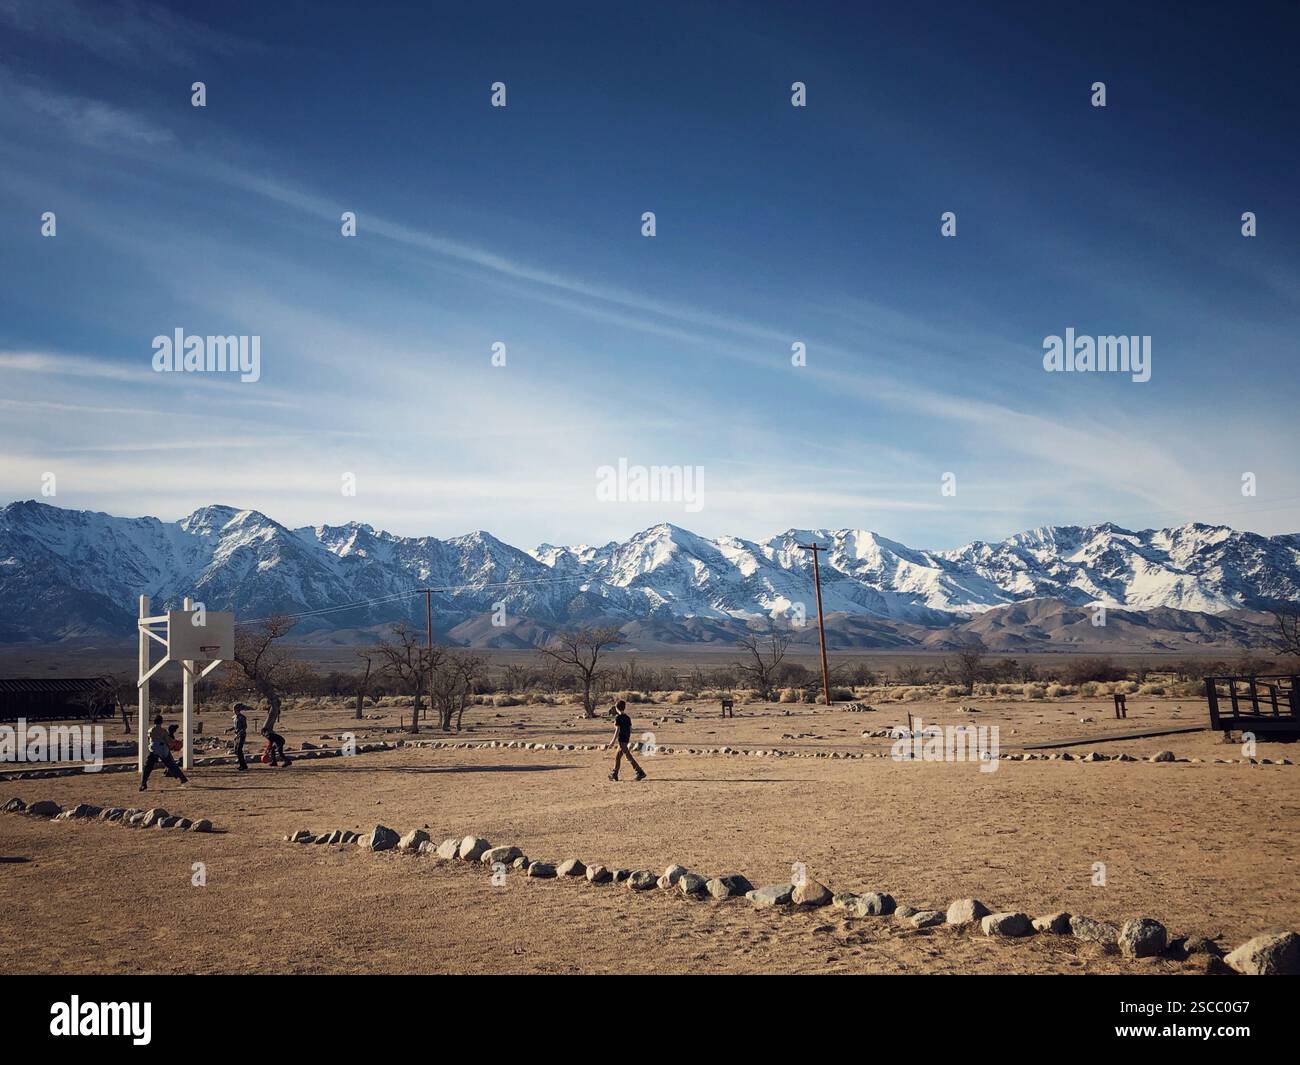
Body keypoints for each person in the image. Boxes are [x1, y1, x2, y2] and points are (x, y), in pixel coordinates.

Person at [140, 714, 187, 790]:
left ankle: (143, 783)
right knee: (171, 764)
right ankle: (182, 778)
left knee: (147, 767)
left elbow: (149, 739)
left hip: (154, 749)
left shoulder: (150, 730)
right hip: (163, 749)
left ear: (154, 722)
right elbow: (168, 740)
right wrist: (175, 742)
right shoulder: (163, 731)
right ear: (161, 722)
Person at [606, 699, 645, 782]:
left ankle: (640, 772)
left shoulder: (618, 718)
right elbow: (630, 729)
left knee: (628, 756)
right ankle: (614, 774)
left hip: (621, 740)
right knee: (618, 756)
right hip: (626, 739)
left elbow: (617, 730)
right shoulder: (627, 717)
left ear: (617, 708)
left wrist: (612, 741)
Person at [230, 703, 249, 771]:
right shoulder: (234, 717)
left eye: (234, 709)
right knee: (236, 750)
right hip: (236, 735)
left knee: (239, 750)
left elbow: (245, 726)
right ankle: (243, 764)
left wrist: (241, 731)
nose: (233, 710)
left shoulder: (242, 717)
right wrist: (229, 729)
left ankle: (243, 765)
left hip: (241, 735)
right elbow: (235, 727)